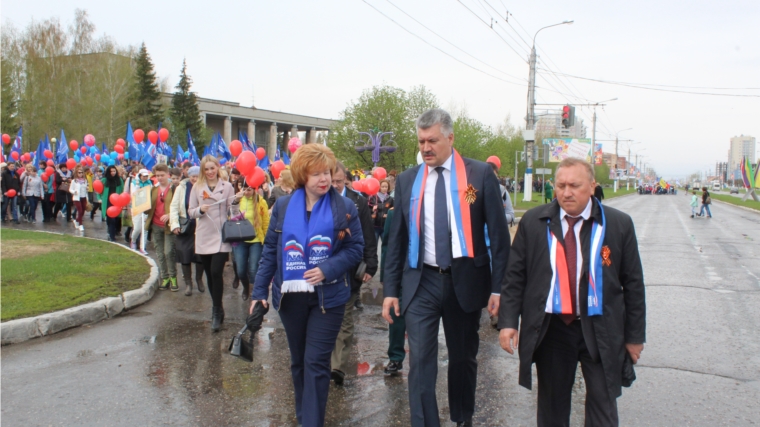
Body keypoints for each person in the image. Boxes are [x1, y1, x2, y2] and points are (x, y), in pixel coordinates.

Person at [382, 109, 510, 427]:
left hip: (464, 282)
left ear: (450, 139)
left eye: (433, 140)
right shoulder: (409, 180)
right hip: (421, 281)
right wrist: (390, 291)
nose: (426, 147)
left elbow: (498, 234)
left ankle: (462, 418)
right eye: (422, 141)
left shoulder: (479, 176)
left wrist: (499, 288)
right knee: (421, 360)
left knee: (463, 358)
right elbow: (396, 240)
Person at [498, 157, 646, 427]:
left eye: (574, 185)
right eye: (561, 185)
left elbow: (634, 284)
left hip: (601, 328)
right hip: (553, 330)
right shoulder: (534, 222)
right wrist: (508, 322)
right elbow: (515, 276)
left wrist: (634, 337)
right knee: (553, 410)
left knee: (603, 408)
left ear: (592, 186)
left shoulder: (618, 224)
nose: (566, 192)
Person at [251, 144, 363, 427]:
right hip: (291, 298)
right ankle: (305, 419)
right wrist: (258, 293)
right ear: (302, 176)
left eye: (326, 172)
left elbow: (355, 249)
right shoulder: (284, 206)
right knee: (299, 362)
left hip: (329, 298)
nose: (324, 179)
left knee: (315, 363)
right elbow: (270, 252)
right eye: (316, 174)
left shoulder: (345, 207)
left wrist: (326, 269)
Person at [329, 161, 378, 386]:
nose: (336, 185)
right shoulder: (320, 198)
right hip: (325, 268)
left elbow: (369, 235)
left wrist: (371, 264)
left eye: (340, 181)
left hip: (350, 270)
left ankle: (337, 366)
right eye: (333, 181)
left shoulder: (358, 201)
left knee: (345, 317)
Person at [188, 155, 236, 331]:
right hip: (203, 234)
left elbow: (233, 209)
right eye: (206, 169)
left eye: (212, 168)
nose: (209, 172)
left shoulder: (227, 187)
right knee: (209, 273)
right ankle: (218, 307)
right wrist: (199, 210)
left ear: (217, 168)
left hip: (221, 236)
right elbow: (191, 211)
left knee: (216, 271)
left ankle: (216, 312)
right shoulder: (197, 187)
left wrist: (237, 205)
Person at [230, 176, 270, 301]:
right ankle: (246, 287)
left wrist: (267, 239)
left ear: (254, 189)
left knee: (253, 269)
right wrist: (235, 202)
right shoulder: (237, 200)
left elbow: (265, 222)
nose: (246, 192)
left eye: (249, 190)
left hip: (256, 240)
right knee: (241, 270)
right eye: (244, 189)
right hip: (240, 239)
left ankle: (254, 293)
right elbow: (231, 218)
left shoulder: (260, 201)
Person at [170, 166, 205, 296]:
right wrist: (174, 224)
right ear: (188, 176)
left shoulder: (204, 187)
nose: (195, 179)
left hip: (200, 224)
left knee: (200, 254)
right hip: (185, 225)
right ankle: (188, 283)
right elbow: (173, 207)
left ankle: (199, 279)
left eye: (197, 176)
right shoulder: (181, 188)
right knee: (185, 254)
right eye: (192, 176)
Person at [380, 205, 406, 376]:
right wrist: (385, 277)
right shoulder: (394, 213)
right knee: (396, 316)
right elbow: (387, 246)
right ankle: (395, 357)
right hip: (401, 273)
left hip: (427, 275)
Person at [145, 164, 178, 291]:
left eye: (162, 175)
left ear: (168, 175)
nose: (160, 178)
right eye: (157, 176)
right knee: (159, 252)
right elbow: (148, 209)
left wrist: (170, 215)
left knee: (169, 252)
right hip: (156, 224)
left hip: (169, 226)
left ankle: (173, 277)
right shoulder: (153, 190)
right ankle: (165, 278)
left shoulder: (174, 189)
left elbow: (180, 206)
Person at [127, 169, 153, 255]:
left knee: (145, 229)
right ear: (140, 175)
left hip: (146, 207)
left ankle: (143, 247)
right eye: (143, 175)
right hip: (136, 207)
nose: (145, 177)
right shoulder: (134, 183)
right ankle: (133, 240)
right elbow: (133, 194)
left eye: (146, 176)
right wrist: (138, 187)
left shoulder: (149, 183)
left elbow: (151, 193)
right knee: (137, 228)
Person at [100, 166, 124, 242]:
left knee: (115, 219)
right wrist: (99, 198)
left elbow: (122, 190)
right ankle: (112, 236)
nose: (113, 173)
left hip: (116, 202)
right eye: (111, 171)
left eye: (114, 171)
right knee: (111, 219)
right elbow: (99, 190)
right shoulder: (104, 180)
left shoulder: (119, 180)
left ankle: (111, 231)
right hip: (107, 202)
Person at [369, 179, 393, 246]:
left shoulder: (390, 199)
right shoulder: (373, 197)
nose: (384, 188)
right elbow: (367, 209)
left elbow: (393, 210)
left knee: (386, 245)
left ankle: (384, 257)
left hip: (385, 226)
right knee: (373, 245)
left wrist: (388, 215)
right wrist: (372, 210)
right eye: (382, 187)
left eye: (386, 187)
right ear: (379, 187)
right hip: (375, 225)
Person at [70, 166, 89, 231]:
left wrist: (87, 188)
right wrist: (74, 191)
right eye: (79, 173)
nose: (80, 174)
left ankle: (77, 220)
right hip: (77, 197)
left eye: (82, 173)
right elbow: (70, 189)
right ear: (76, 173)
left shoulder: (85, 180)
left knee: (83, 211)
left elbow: (86, 188)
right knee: (80, 210)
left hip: (83, 197)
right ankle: (81, 225)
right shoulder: (74, 181)